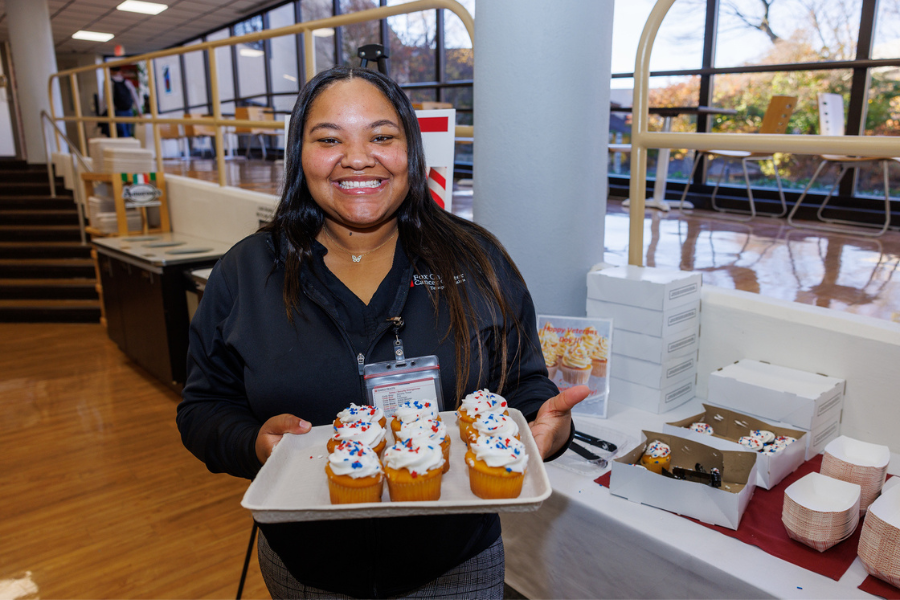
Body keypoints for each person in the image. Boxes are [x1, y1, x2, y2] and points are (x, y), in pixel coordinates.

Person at [176, 65, 588, 599]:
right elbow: (202, 408)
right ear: (299, 155)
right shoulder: (248, 272)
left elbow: (524, 381)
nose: (357, 158)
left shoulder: (476, 259)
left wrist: (544, 426)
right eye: (329, 139)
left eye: (381, 136)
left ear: (411, 152)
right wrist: (252, 442)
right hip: (306, 570)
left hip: (454, 567)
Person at [109, 66, 142, 137]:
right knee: (128, 132)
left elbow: (106, 99)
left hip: (118, 111)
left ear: (110, 71)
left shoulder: (109, 82)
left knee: (122, 133)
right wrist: (139, 110)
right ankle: (131, 147)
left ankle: (127, 147)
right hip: (129, 110)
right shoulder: (127, 82)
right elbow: (134, 97)